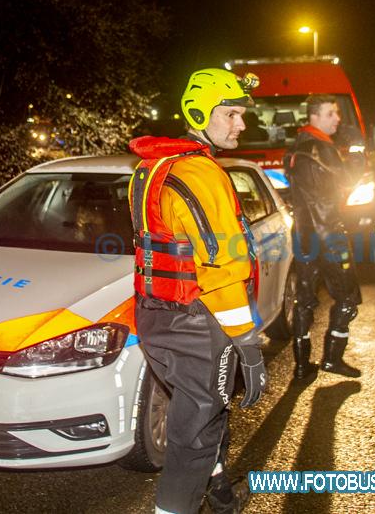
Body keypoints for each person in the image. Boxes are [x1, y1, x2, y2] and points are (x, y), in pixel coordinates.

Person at [128, 68, 266, 514]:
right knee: (196, 434)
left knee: (200, 415)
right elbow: (222, 268)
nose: (241, 124)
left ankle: (220, 493)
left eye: (242, 115)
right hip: (197, 323)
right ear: (199, 113)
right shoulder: (202, 174)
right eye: (231, 114)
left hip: (155, 316)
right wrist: (248, 344)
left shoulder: (149, 168)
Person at [285, 94, 363, 380]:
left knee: (304, 300)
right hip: (329, 235)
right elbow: (350, 179)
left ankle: (302, 365)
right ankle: (332, 359)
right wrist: (357, 152)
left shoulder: (296, 147)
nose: (337, 119)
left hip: (304, 235)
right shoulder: (320, 148)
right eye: (331, 113)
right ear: (314, 117)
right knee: (348, 298)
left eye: (337, 113)